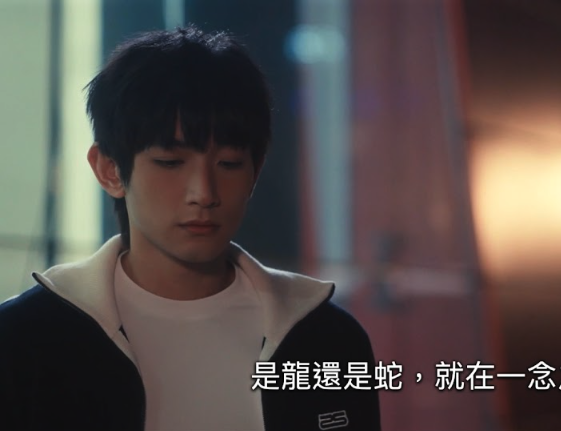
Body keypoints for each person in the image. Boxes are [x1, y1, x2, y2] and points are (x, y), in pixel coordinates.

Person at [0, 25, 380, 431]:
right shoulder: (26, 338)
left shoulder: (324, 336)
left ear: (255, 171)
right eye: (170, 162)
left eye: (229, 164)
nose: (204, 193)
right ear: (109, 170)